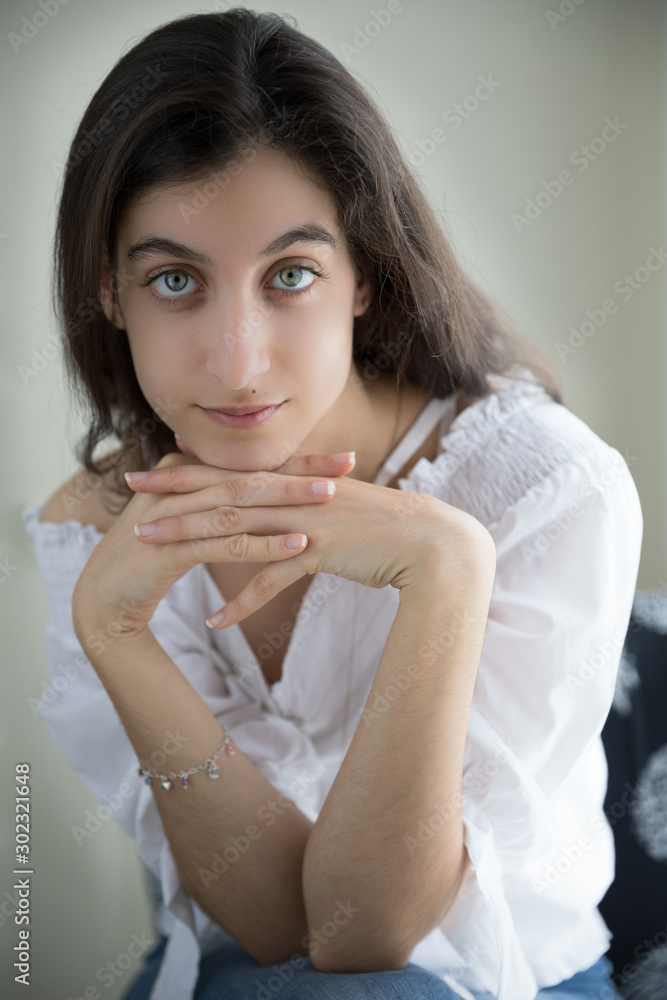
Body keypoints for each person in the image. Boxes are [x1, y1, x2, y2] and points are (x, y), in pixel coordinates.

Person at [21, 8, 642, 1000]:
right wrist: (113, 629)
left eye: (291, 275)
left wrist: (443, 576)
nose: (237, 361)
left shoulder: (544, 490)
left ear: (360, 276)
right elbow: (275, 925)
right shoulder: (94, 533)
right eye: (175, 279)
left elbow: (368, 933)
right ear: (108, 290)